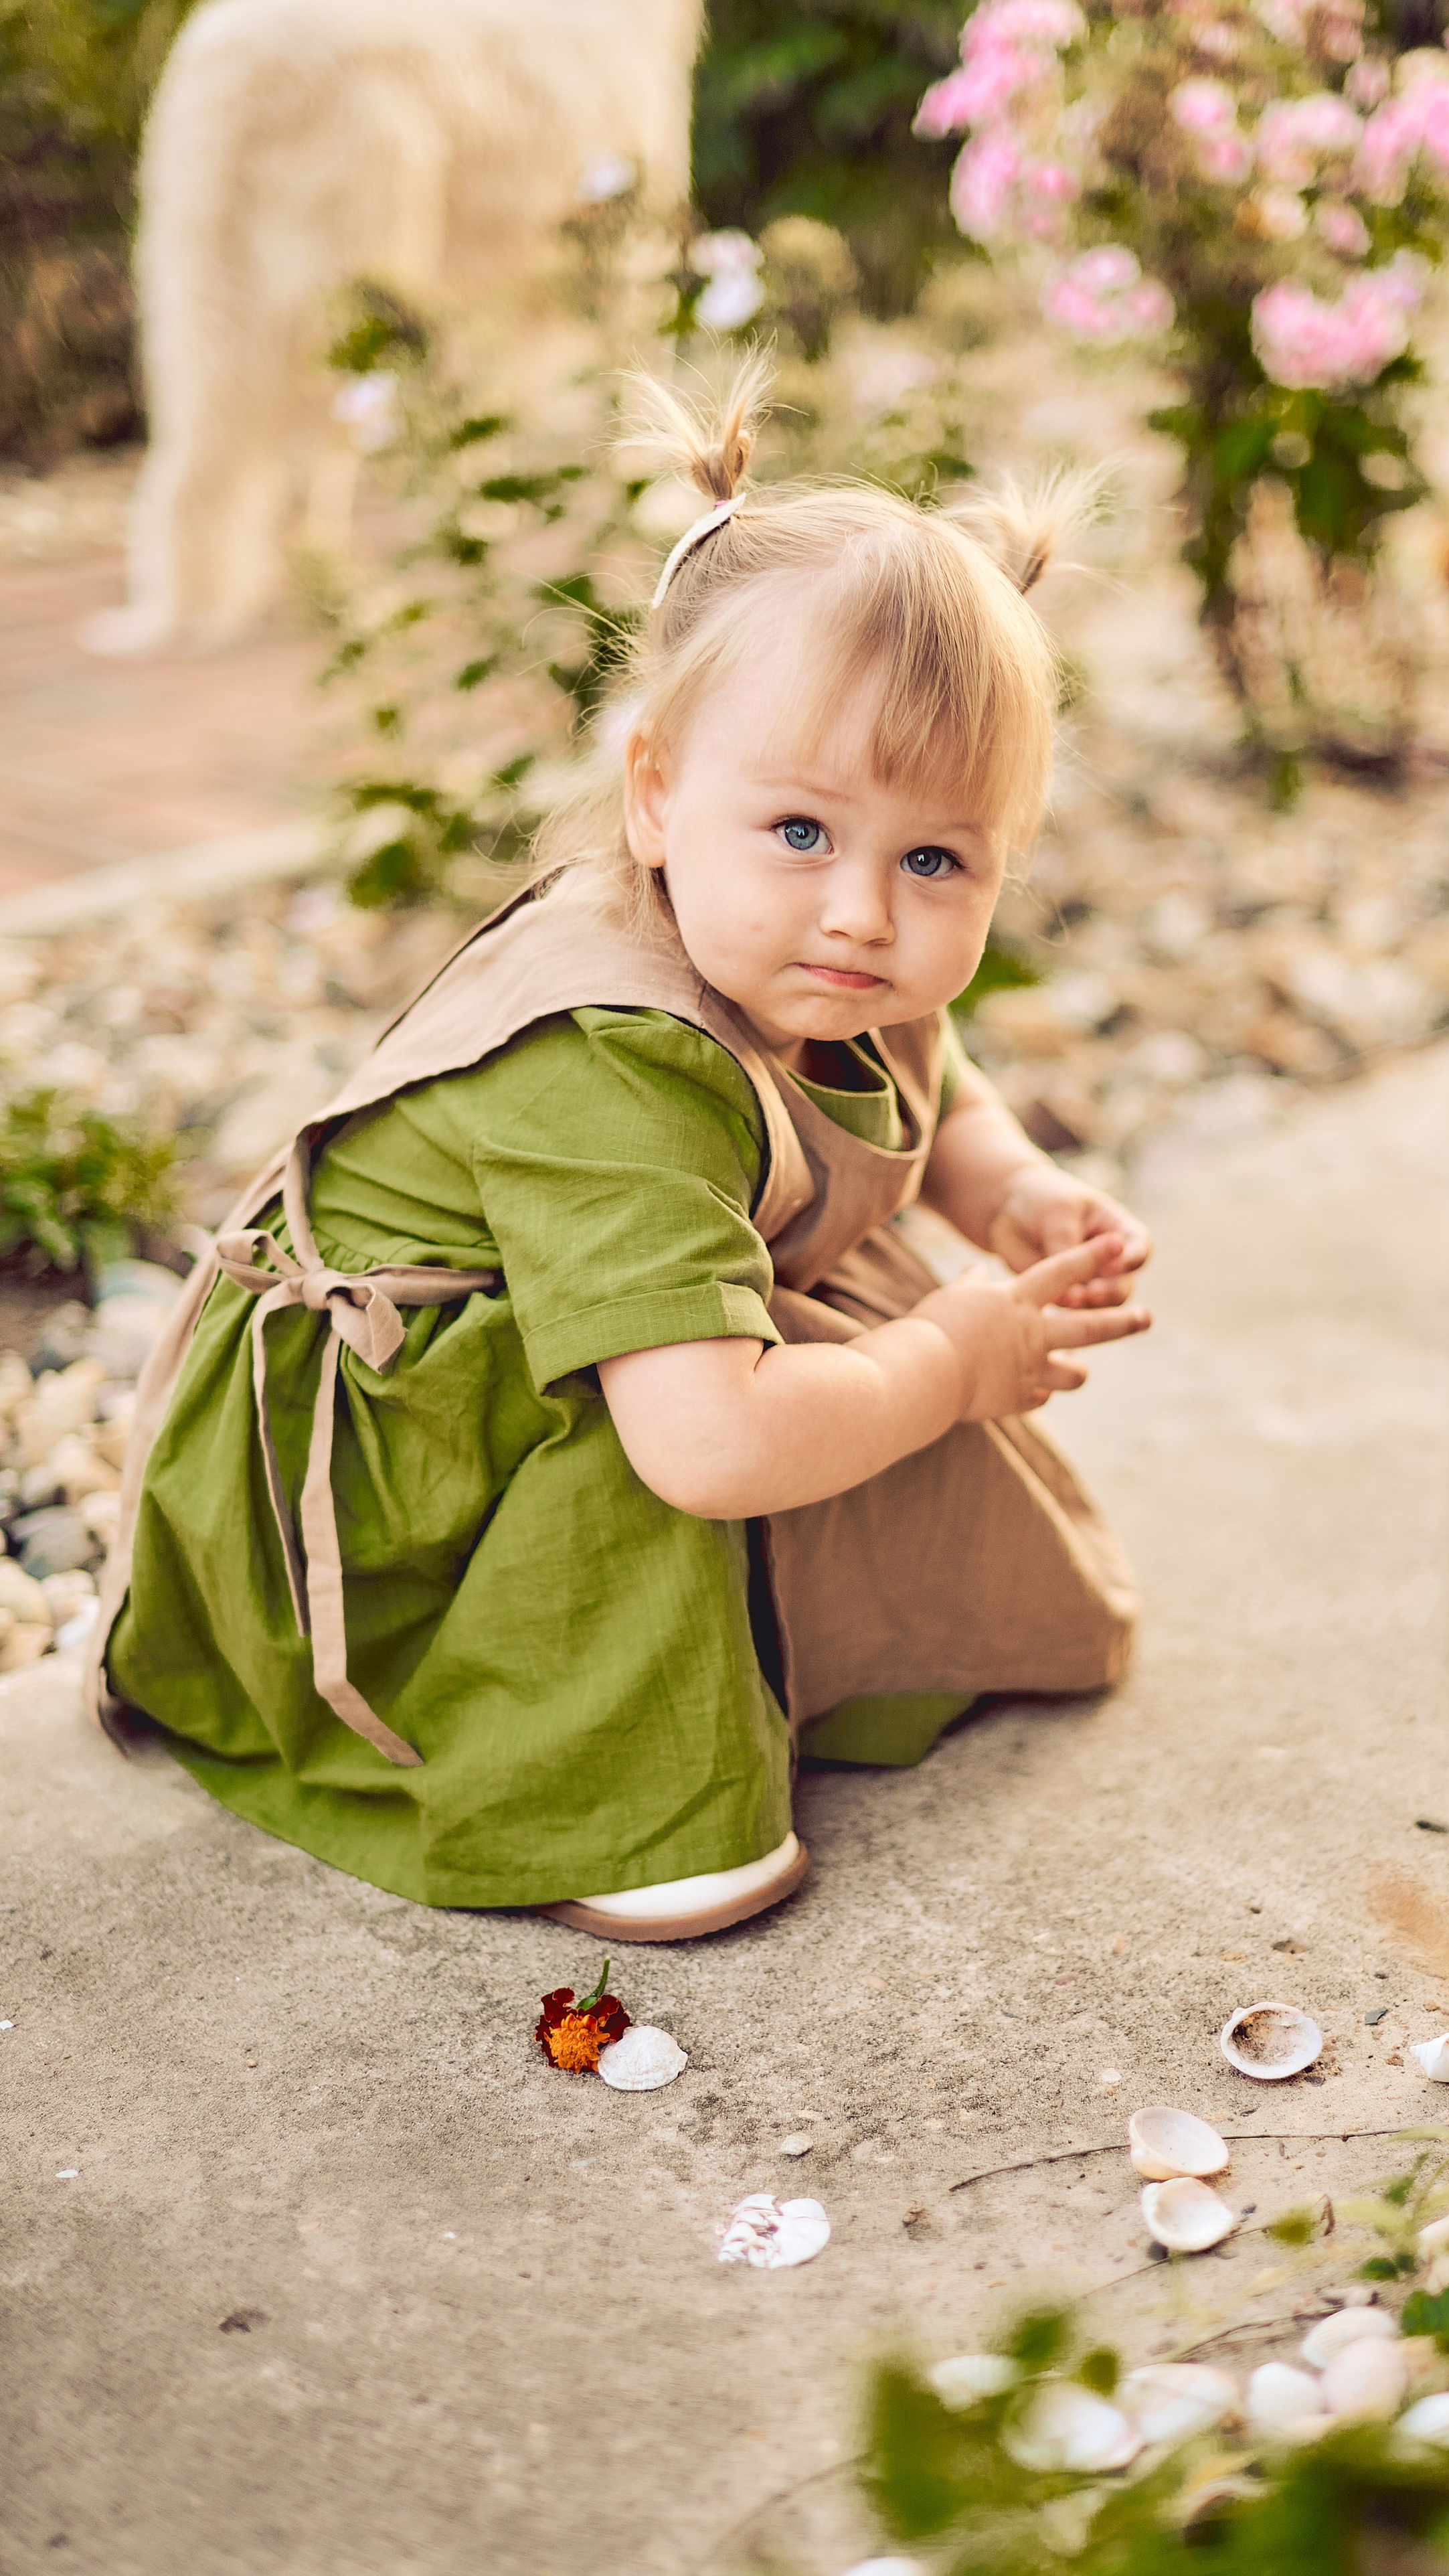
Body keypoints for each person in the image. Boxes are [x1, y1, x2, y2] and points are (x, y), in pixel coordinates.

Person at [92, 364, 1150, 1941]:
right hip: (403, 1479)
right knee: (725, 1403)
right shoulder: (619, 1055)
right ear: (655, 795)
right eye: (800, 831)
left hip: (619, 1348)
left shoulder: (823, 966)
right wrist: (946, 1357)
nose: (862, 909)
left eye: (933, 857)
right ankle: (591, 1781)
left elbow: (942, 1080)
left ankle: (789, 1648)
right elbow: (708, 1447)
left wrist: (1005, 1188)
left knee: (801, 1356)